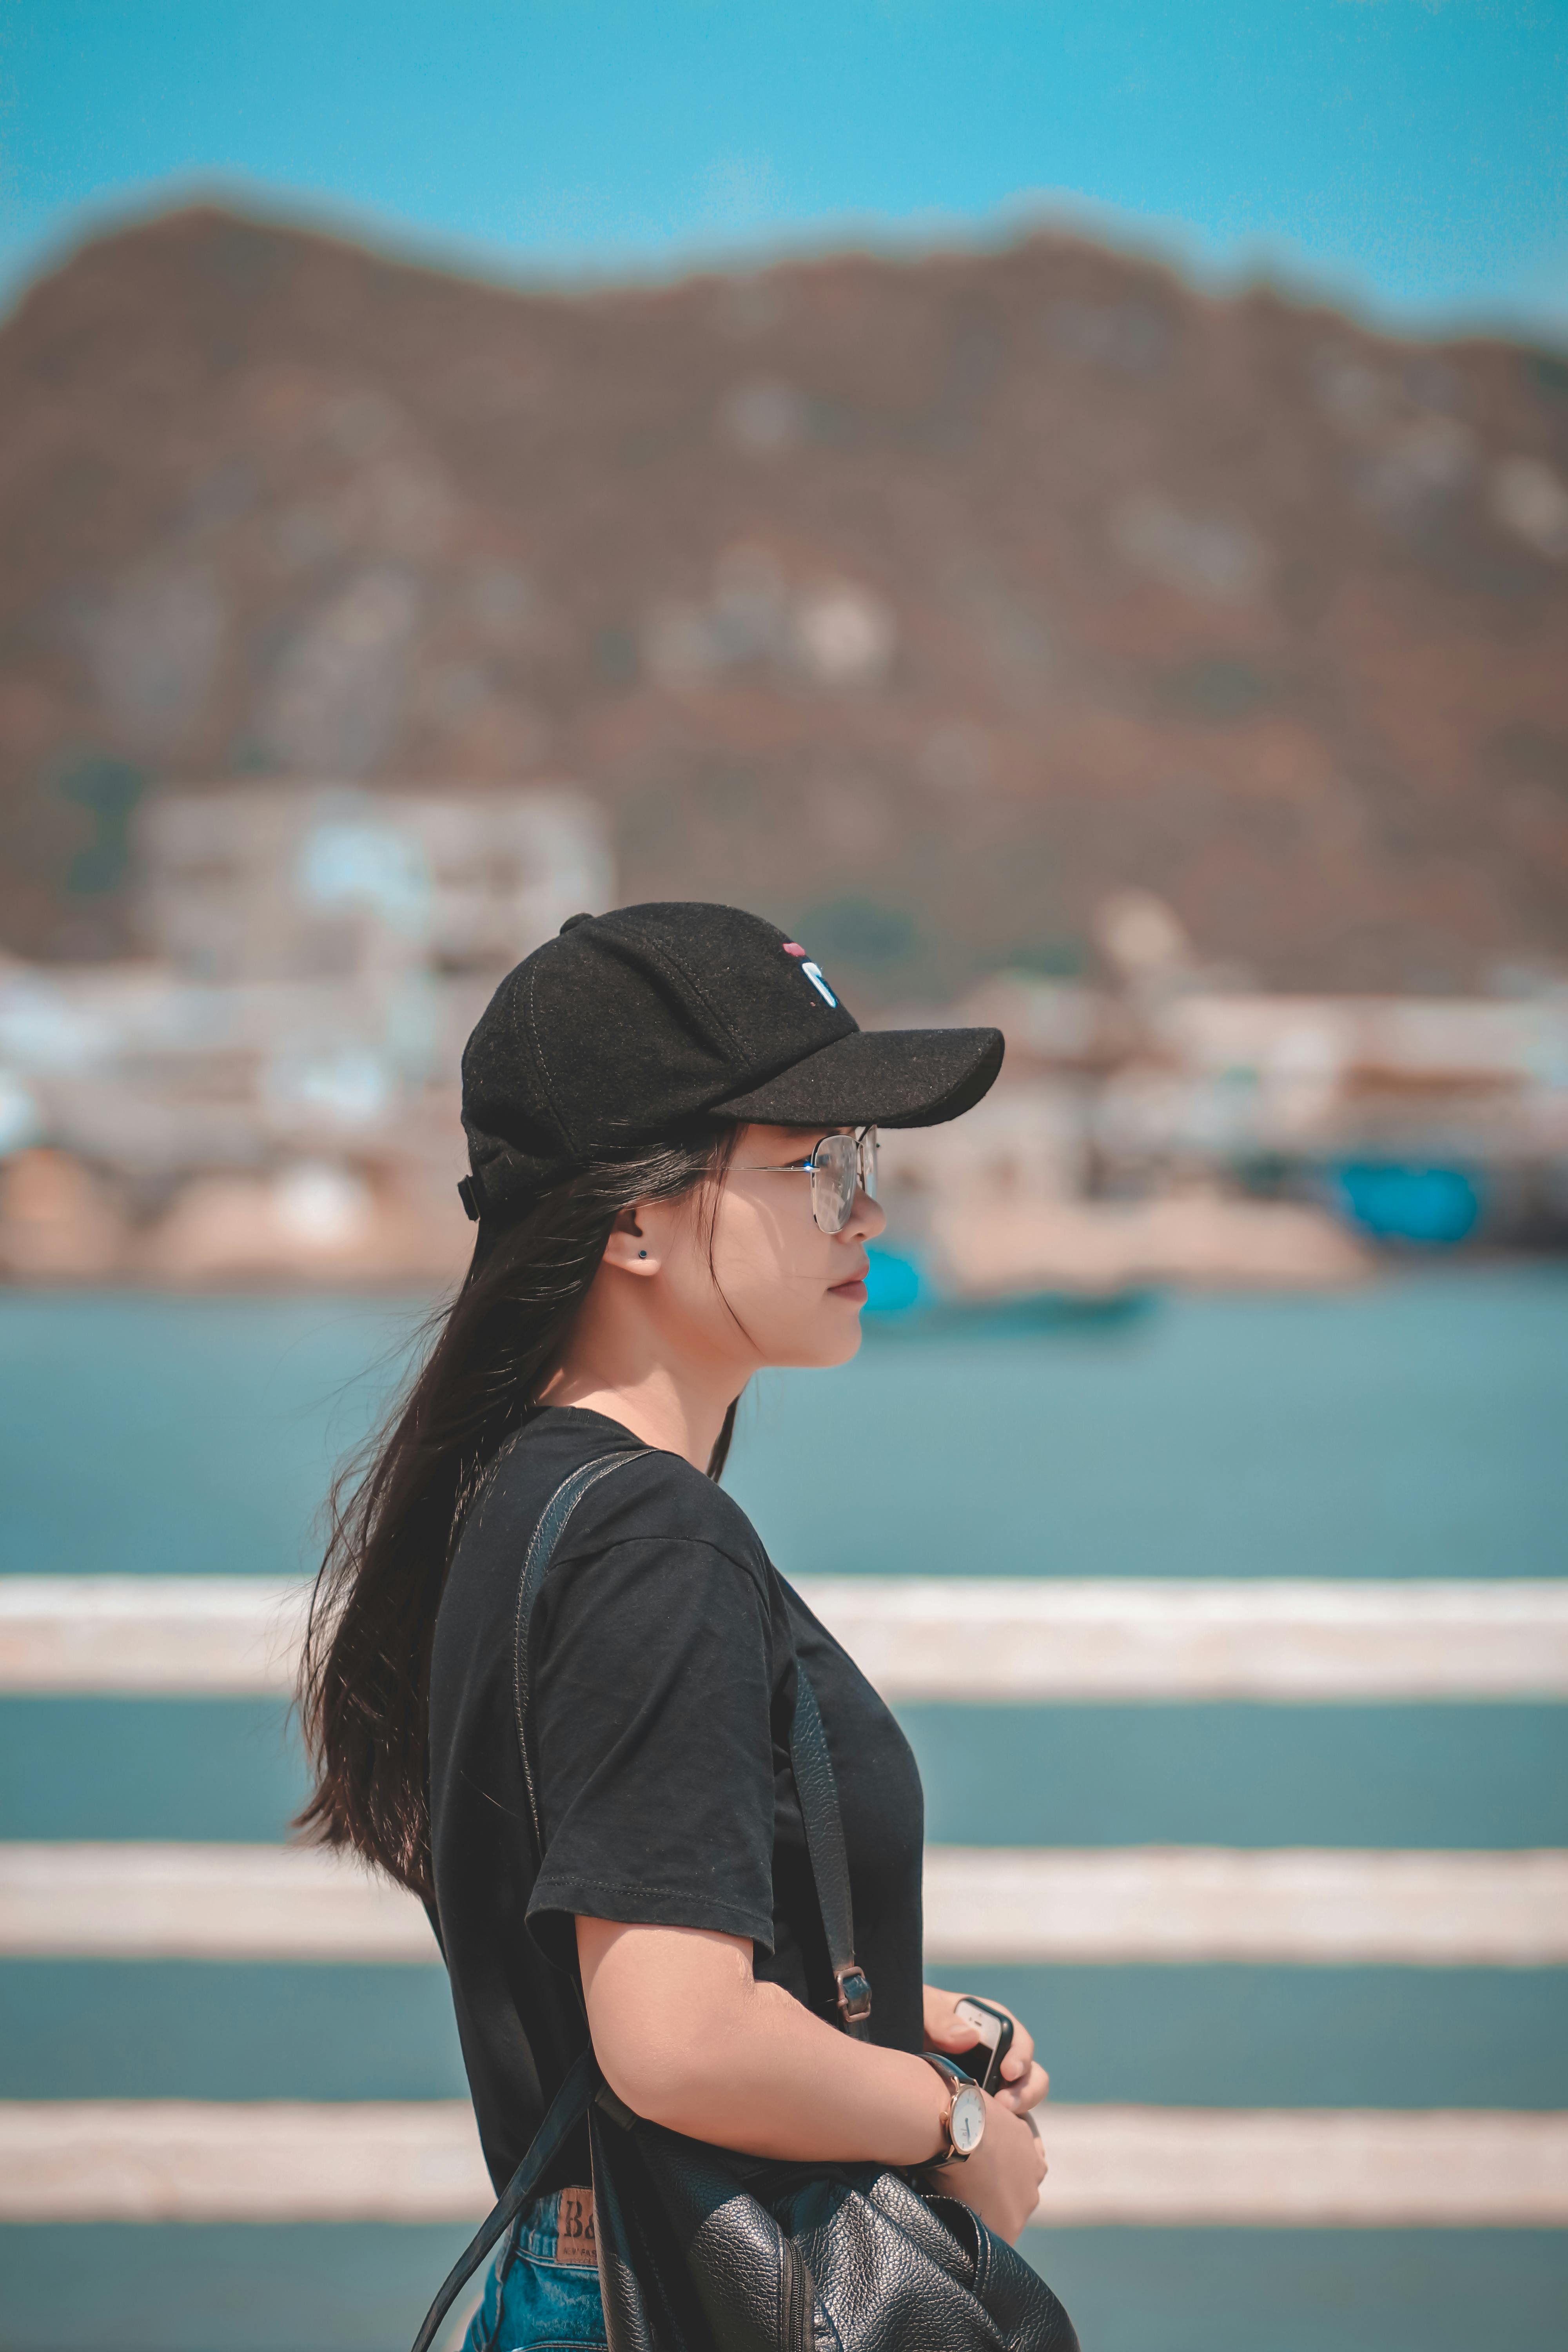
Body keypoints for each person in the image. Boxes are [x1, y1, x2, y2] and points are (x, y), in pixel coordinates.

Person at [297, 902, 1049, 2351]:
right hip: (684, 2298)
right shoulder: (653, 1537)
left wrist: (880, 2001)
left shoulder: (522, 1489)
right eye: (812, 1166)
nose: (868, 1213)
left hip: (592, 2273)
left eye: (864, 1163)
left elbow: (630, 1947)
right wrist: (951, 2126)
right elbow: (678, 2040)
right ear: (632, 1215)